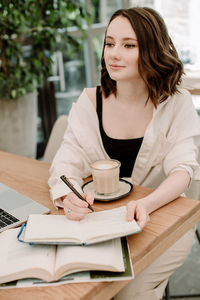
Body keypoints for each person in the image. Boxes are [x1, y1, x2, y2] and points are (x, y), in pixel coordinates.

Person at [48, 7, 200, 300]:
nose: (114, 53)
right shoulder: (89, 102)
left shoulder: (176, 102)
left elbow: (183, 170)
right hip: (102, 220)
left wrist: (147, 203)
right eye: (109, 43)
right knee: (87, 288)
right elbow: (66, 162)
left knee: (130, 292)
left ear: (152, 50)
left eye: (129, 45)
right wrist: (70, 197)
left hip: (164, 218)